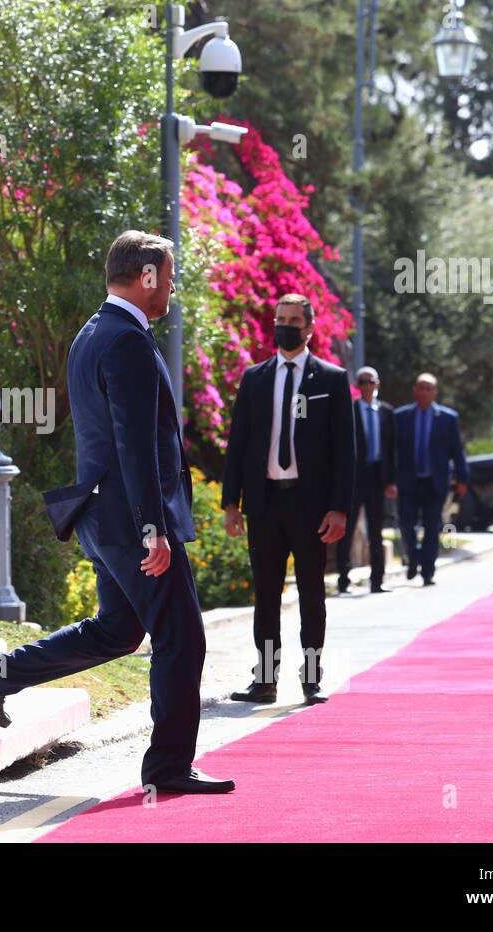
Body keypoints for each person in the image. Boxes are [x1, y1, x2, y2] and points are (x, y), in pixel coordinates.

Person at [0, 231, 235, 796]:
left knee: (117, 631)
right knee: (182, 637)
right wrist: (152, 528)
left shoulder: (94, 332)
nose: (174, 285)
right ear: (148, 277)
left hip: (104, 516)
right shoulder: (126, 340)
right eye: (170, 273)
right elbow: (134, 444)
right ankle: (168, 769)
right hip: (132, 522)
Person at [221, 294, 354, 705]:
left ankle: (312, 679)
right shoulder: (255, 378)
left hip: (311, 507)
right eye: (280, 319)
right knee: (265, 595)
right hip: (264, 503)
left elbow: (344, 451)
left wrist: (340, 508)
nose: (286, 326)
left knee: (312, 594)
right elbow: (238, 443)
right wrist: (231, 503)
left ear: (310, 327)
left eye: (294, 320)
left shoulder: (330, 379)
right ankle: (264, 680)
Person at [393, 373, 469, 586]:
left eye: (429, 388)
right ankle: (413, 557)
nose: (424, 392)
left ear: (434, 392)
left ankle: (428, 571)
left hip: (435, 482)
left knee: (432, 527)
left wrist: (462, 478)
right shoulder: (401, 417)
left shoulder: (447, 418)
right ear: (414, 390)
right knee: (406, 525)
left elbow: (457, 451)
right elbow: (392, 452)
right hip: (408, 481)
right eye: (421, 387)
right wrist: (389, 480)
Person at [337, 366, 397, 595]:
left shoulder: (387, 413)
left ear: (377, 384)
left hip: (377, 478)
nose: (366, 387)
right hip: (354, 479)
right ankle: (344, 578)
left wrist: (392, 481)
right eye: (361, 382)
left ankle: (377, 581)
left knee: (376, 530)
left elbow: (392, 451)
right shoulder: (349, 411)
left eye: (369, 382)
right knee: (347, 528)